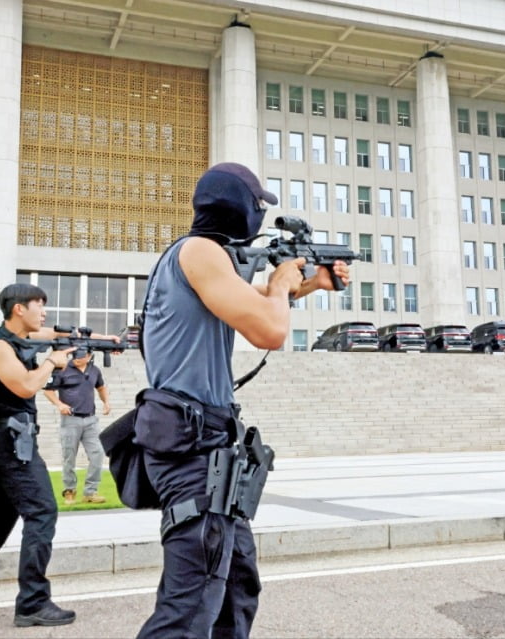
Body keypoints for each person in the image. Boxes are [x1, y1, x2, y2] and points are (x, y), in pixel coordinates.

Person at [133, 162, 348, 638]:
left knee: (235, 590)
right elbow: (269, 329)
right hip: (191, 452)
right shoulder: (200, 251)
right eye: (258, 207)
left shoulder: (202, 259)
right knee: (188, 611)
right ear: (240, 208)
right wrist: (280, 281)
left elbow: (252, 304)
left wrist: (309, 282)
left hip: (209, 452)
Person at [0, 284, 84, 627]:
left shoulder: (22, 338)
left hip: (16, 442)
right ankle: (32, 603)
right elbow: (25, 386)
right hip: (10, 445)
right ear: (19, 309)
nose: (45, 313)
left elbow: (53, 332)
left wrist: (105, 340)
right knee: (42, 511)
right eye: (39, 306)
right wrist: (52, 361)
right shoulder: (0, 347)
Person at [43, 349, 111, 505]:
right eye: (75, 357)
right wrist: (59, 404)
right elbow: (48, 391)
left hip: (91, 419)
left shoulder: (94, 370)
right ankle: (69, 490)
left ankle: (90, 492)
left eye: (81, 358)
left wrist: (106, 402)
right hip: (70, 420)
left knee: (98, 454)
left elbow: (101, 388)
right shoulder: (62, 369)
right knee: (69, 456)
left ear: (89, 356)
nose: (76, 360)